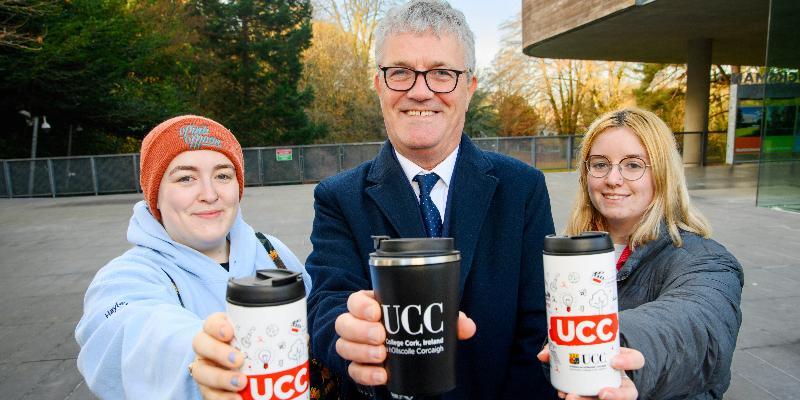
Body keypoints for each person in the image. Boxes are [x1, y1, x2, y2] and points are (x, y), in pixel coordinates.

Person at [304, 1, 641, 399]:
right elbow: (327, 303)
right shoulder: (338, 197)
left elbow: (538, 325)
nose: (420, 90)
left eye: (442, 74)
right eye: (400, 73)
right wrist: (352, 334)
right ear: (379, 85)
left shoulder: (522, 188)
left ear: (469, 87)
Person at [74, 115, 311, 399]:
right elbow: (128, 331)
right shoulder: (127, 276)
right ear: (155, 195)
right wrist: (200, 356)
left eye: (223, 175)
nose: (209, 194)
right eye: (186, 178)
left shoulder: (272, 251)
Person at [557, 107, 744, 399]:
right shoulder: (570, 255)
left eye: (633, 165)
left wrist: (606, 346)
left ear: (663, 173)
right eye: (600, 164)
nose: (613, 179)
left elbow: (700, 325)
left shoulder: (707, 260)